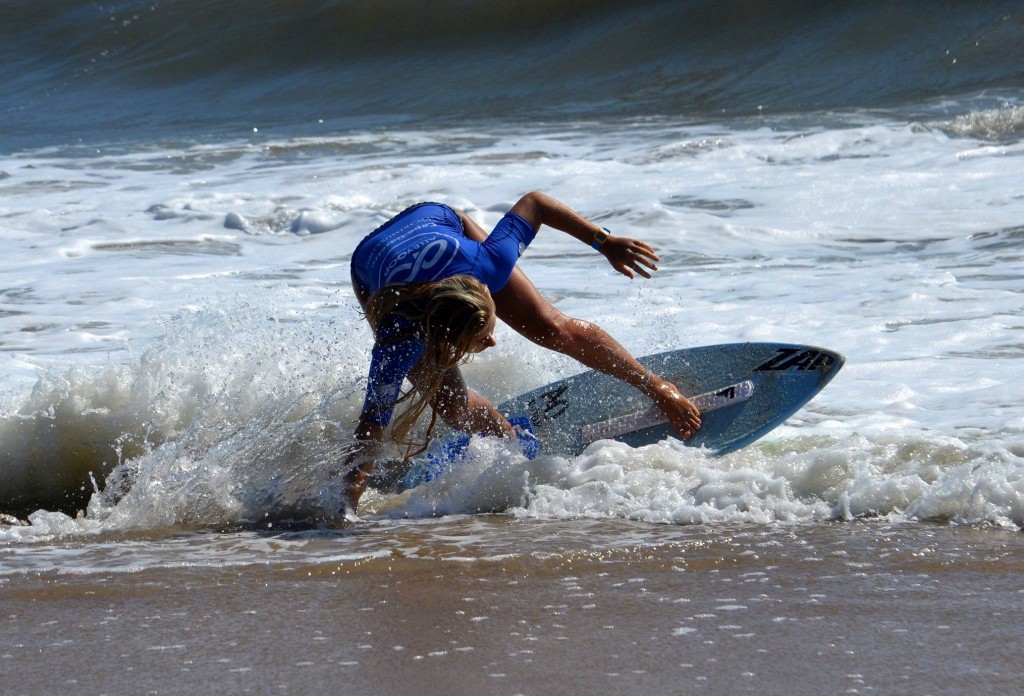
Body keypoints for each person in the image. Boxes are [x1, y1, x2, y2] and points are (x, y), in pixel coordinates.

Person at [341, 191, 701, 514]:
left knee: (552, 328)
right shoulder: (398, 338)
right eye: (479, 338)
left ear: (483, 288)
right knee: (453, 406)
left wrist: (603, 242)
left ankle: (657, 385)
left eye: (488, 329)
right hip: (370, 265)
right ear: (442, 337)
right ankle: (509, 439)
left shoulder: (488, 263)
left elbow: (536, 203)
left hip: (435, 219)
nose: (493, 342)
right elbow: (369, 429)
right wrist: (345, 509)